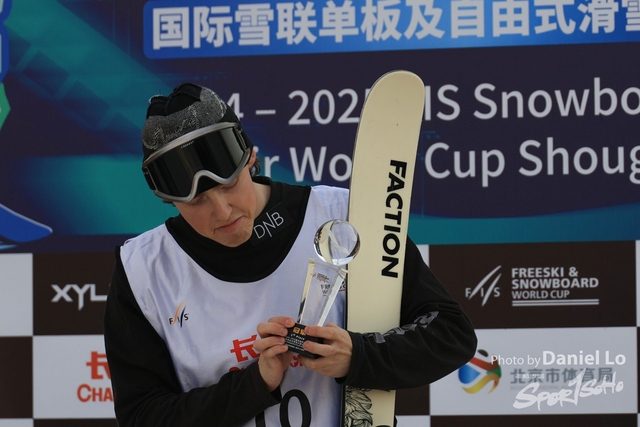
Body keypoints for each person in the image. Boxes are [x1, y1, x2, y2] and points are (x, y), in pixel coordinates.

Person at [104, 82, 477, 427]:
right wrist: (255, 383)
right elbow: (142, 417)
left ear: (251, 158)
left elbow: (450, 334)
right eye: (197, 200)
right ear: (169, 200)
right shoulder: (144, 269)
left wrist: (358, 356)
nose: (222, 211)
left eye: (230, 185)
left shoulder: (345, 215)